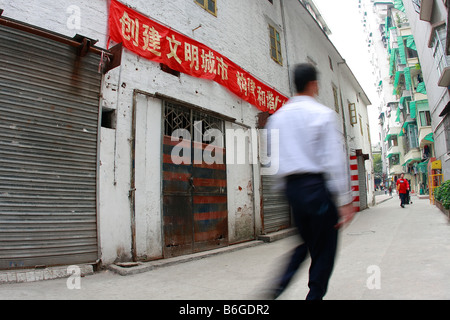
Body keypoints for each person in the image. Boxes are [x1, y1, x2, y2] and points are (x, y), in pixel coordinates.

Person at [265, 63, 355, 300]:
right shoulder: (322, 114)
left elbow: (273, 160)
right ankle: (314, 296)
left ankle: (275, 290)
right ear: (314, 84)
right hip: (316, 189)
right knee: (325, 248)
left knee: (306, 243)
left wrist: (286, 191)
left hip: (294, 191)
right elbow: (334, 159)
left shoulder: (277, 118)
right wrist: (345, 200)